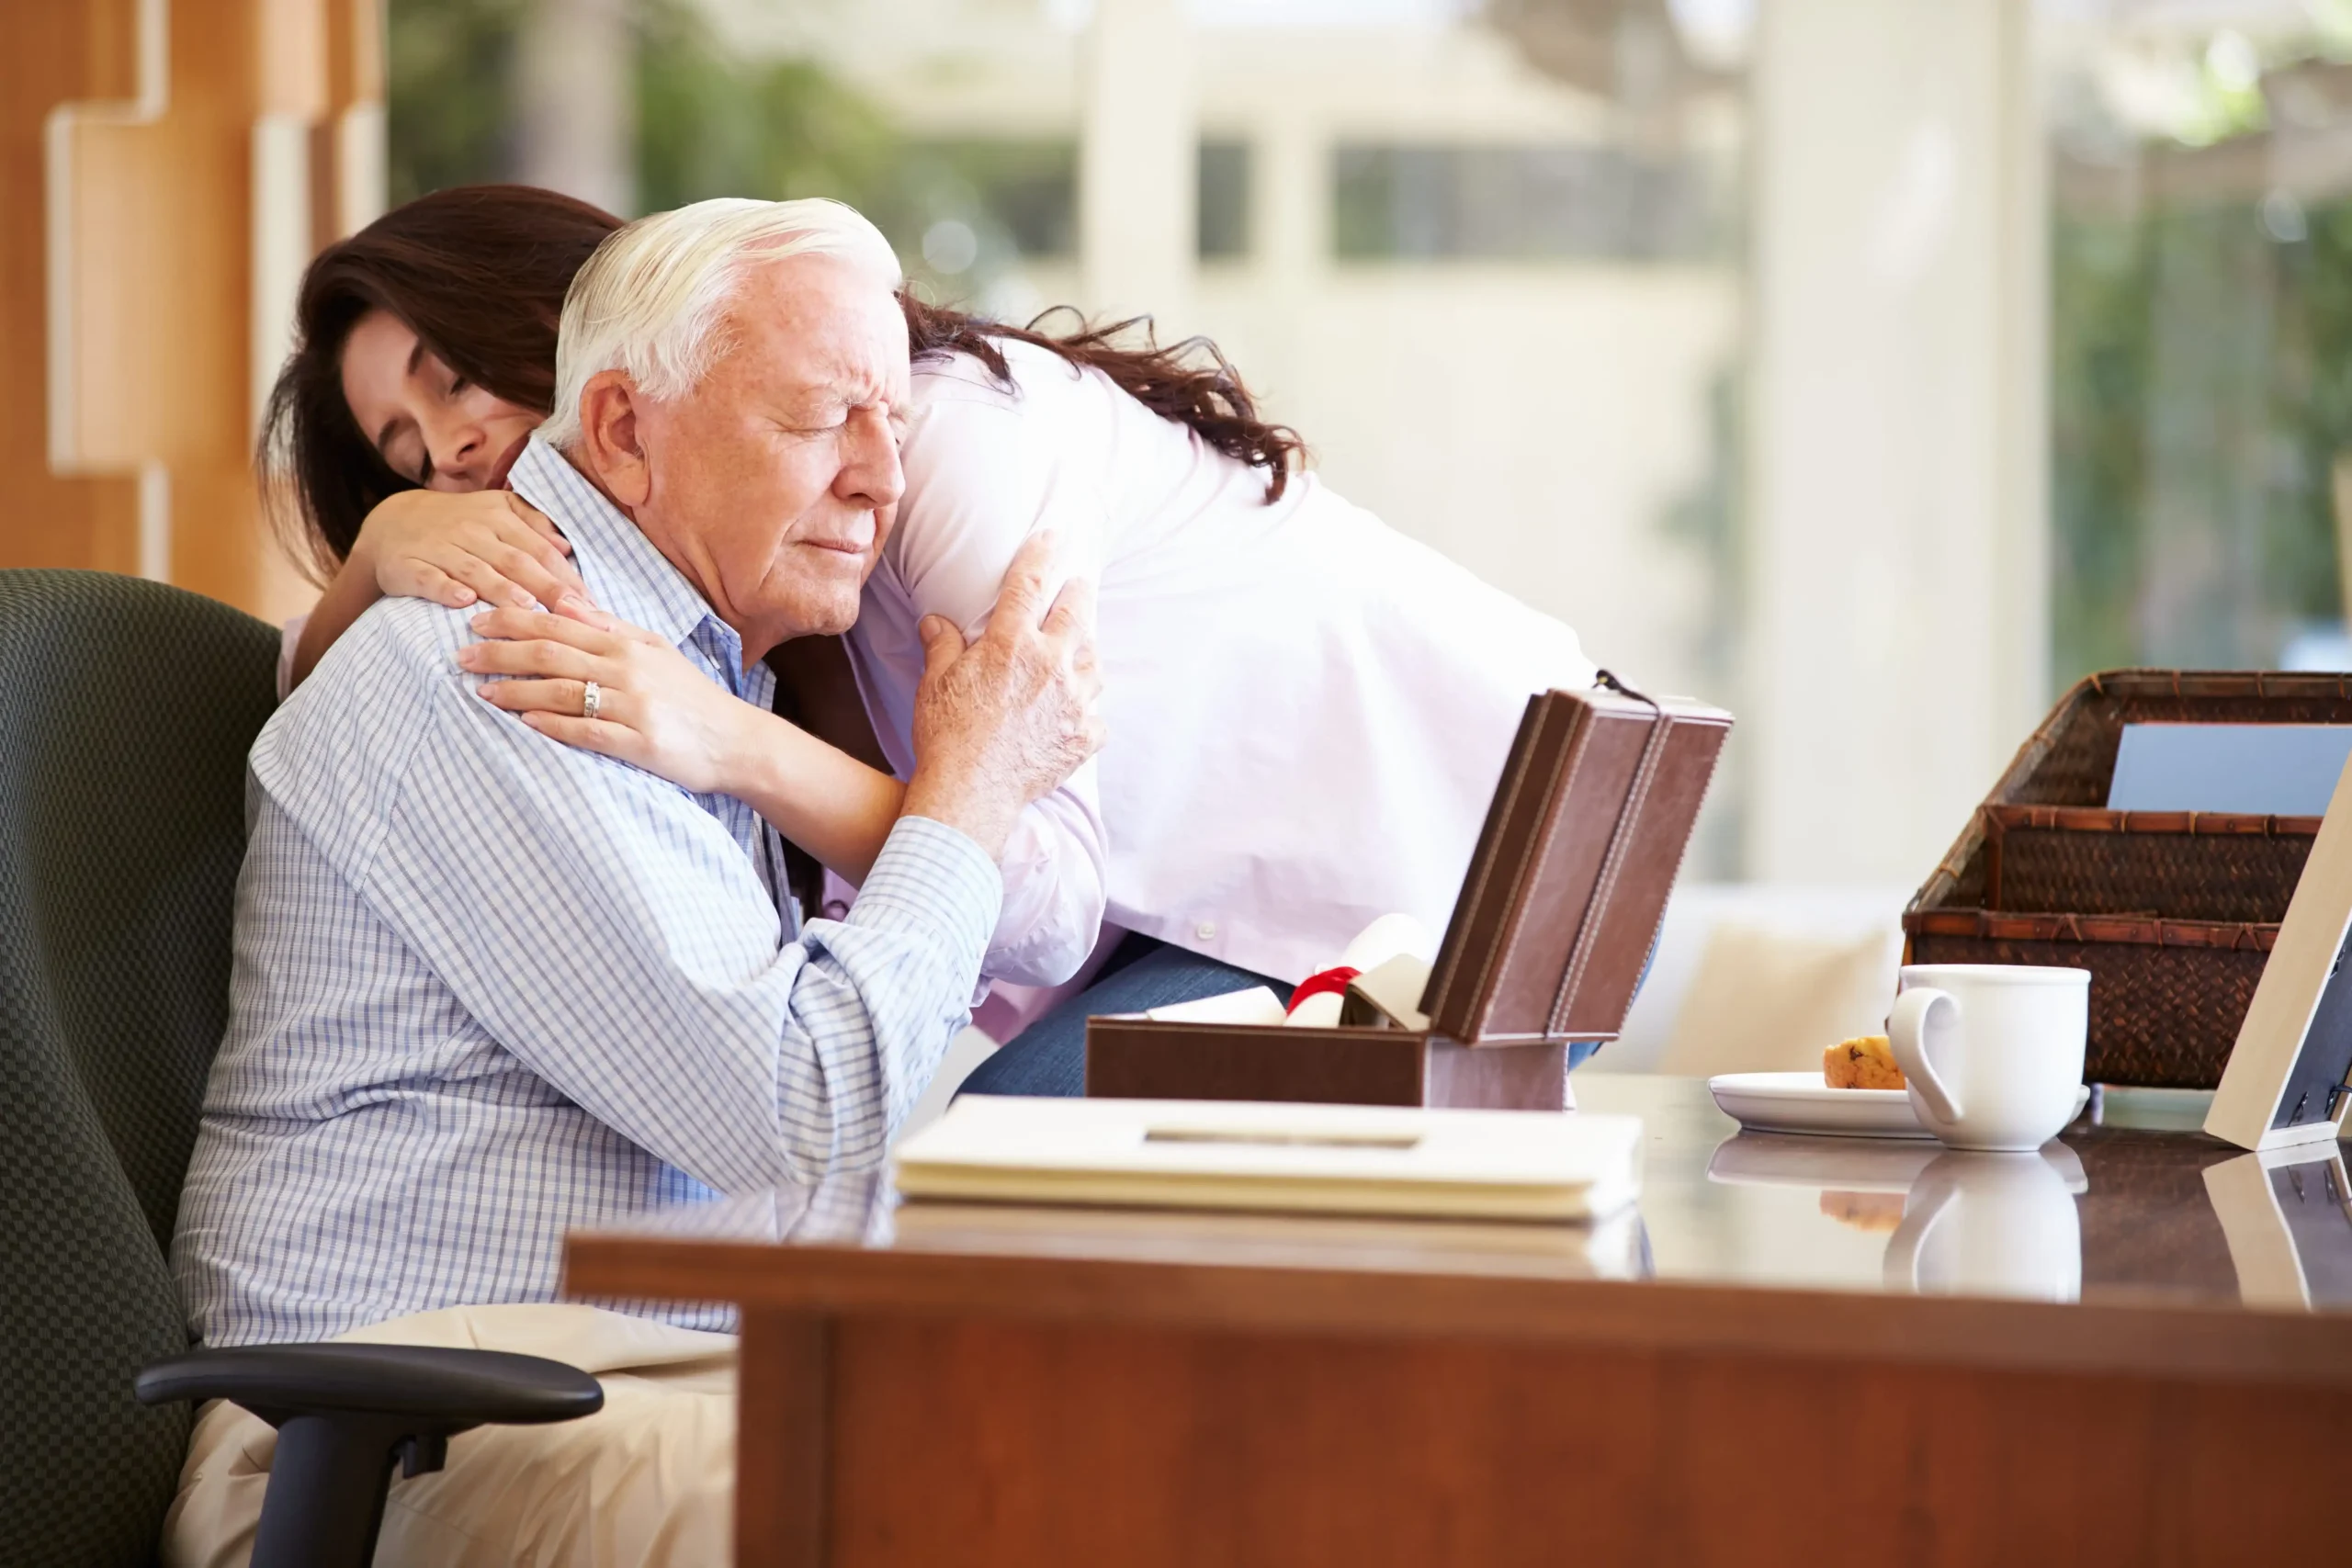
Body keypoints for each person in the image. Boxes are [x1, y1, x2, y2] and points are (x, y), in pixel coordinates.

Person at [165, 200, 1102, 1565]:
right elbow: (807, 1110)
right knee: (1008, 1488)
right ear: (617, 429)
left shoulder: (687, 673)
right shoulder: (493, 667)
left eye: (891, 426)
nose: (880, 481)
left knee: (1146, 1418)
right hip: (410, 1431)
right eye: (818, 420)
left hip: (621, 1380)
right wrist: (969, 779)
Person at [266, 185, 1601, 1096]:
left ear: (587, 333)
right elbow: (310, 705)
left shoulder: (922, 446)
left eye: (453, 383)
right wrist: (375, 556)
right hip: (1244, 895)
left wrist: (734, 742)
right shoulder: (692, 594)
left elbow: (1049, 889)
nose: (449, 451)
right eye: (403, 453)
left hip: (1502, 830)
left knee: (1001, 1201)